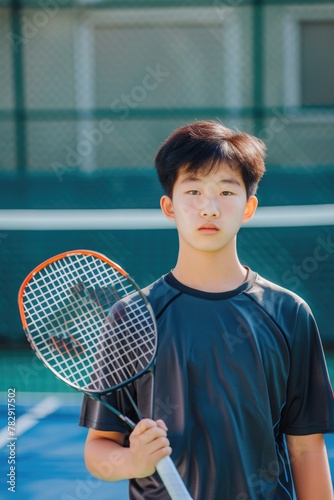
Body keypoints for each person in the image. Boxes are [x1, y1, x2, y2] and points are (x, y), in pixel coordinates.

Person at [79, 120, 334, 499]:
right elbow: (99, 449)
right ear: (169, 206)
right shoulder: (132, 316)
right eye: (193, 190)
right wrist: (135, 462)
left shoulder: (289, 313)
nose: (209, 208)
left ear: (249, 206)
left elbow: (306, 449)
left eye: (226, 191)